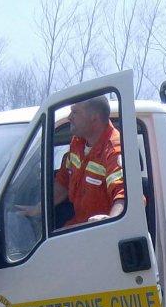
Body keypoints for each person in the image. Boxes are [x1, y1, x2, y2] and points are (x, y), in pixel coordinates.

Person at [53, 96, 126, 227]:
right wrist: (37, 209)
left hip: (98, 234)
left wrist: (111, 222)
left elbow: (125, 196)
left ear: (94, 117)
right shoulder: (77, 143)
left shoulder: (114, 150)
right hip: (78, 226)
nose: (70, 117)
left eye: (75, 112)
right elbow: (63, 183)